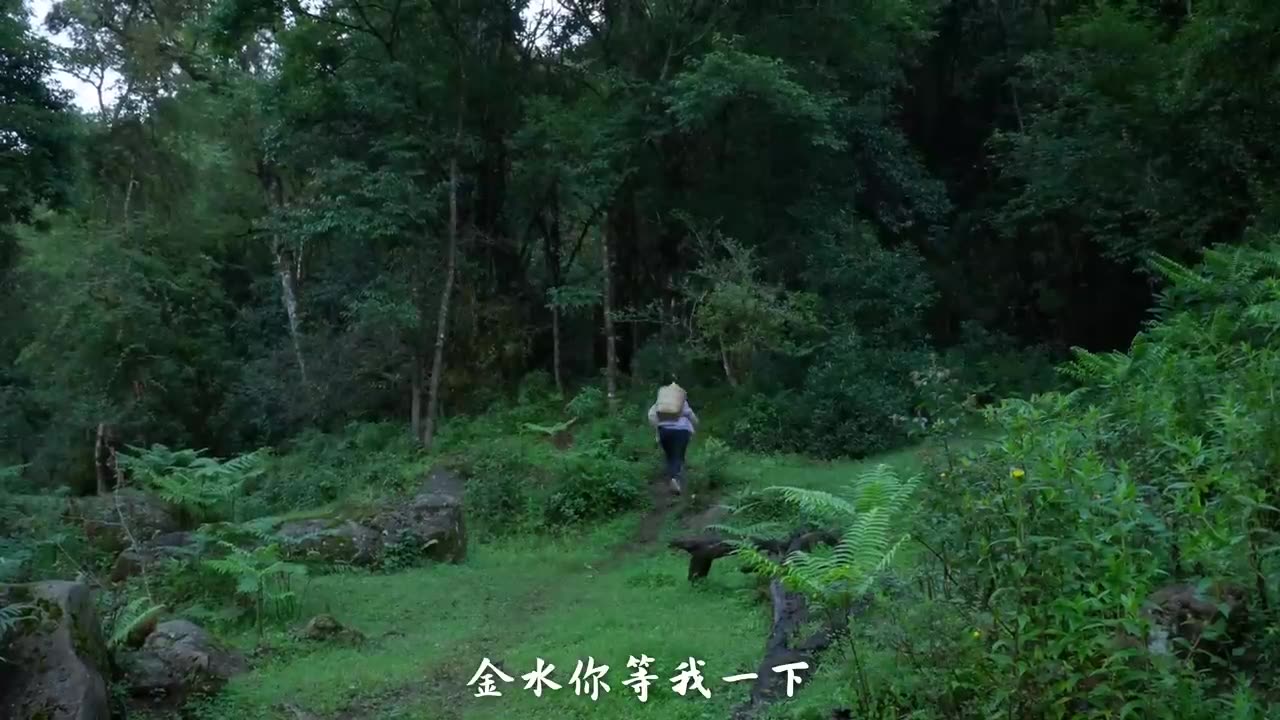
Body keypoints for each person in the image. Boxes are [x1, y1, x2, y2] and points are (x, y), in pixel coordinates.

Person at [647, 386, 698, 495]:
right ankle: (675, 479)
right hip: (681, 431)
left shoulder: (660, 404)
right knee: (678, 455)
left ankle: (671, 478)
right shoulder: (682, 402)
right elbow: (690, 414)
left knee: (669, 455)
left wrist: (658, 428)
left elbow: (651, 415)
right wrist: (696, 424)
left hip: (664, 431)